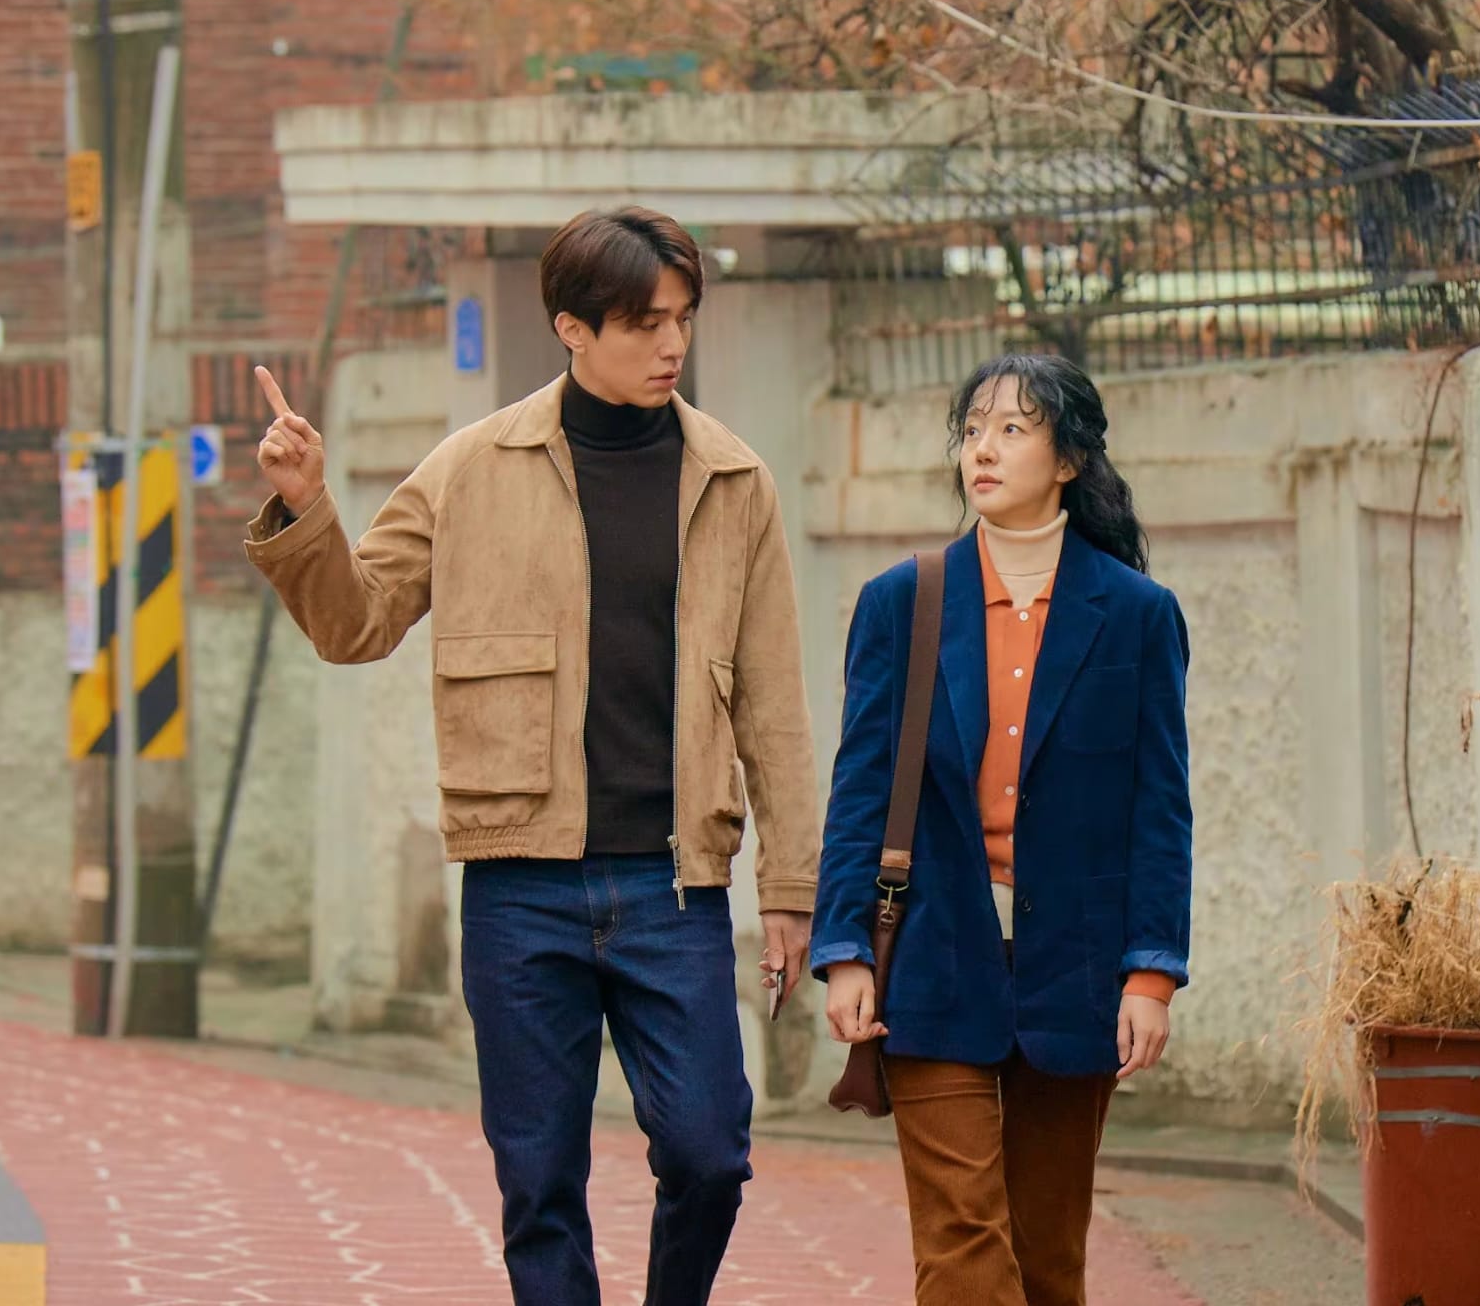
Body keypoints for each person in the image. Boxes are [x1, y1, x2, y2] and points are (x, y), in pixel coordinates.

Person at [242, 206, 818, 1306]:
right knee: (539, 1183)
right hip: (520, 888)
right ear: (571, 327)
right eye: (644, 323)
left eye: (683, 319)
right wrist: (307, 508)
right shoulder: (470, 469)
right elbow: (356, 623)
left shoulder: (732, 480)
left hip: (673, 887)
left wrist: (791, 888)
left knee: (708, 1151)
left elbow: (775, 706)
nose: (671, 345)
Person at [809, 351, 1193, 1306]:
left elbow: (1160, 808)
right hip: (933, 954)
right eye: (972, 430)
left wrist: (1151, 975)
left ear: (1068, 459)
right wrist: (845, 950)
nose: (982, 449)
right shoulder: (903, 602)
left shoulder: (1138, 616)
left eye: (1013, 430)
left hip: (1077, 969)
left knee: (1048, 1258)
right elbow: (860, 790)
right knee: (962, 1244)